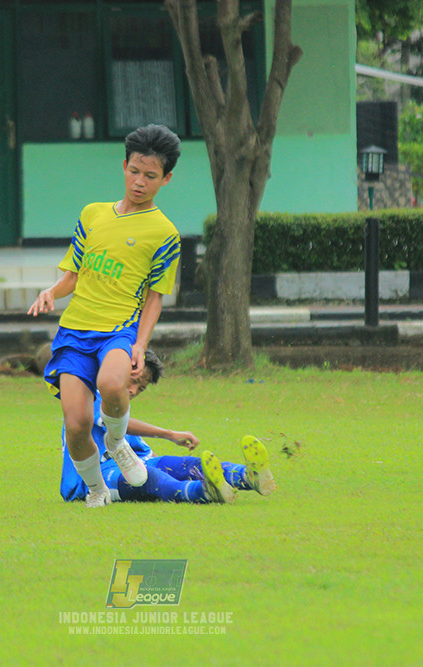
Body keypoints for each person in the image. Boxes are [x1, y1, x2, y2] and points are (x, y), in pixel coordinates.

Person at [28, 124, 182, 508]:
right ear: (124, 166)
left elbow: (155, 297)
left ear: (166, 179)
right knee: (76, 425)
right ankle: (96, 489)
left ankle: (117, 442)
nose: (140, 182)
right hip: (74, 333)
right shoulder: (92, 215)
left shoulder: (165, 234)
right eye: (134, 171)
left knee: (113, 385)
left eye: (150, 176)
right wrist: (50, 292)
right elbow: (72, 277)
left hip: (118, 331)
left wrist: (140, 344)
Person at [59, 350, 277, 504]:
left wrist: (155, 455)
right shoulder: (88, 394)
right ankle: (203, 492)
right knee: (151, 478)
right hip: (95, 478)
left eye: (141, 388)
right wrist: (169, 434)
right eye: (133, 380)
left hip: (136, 462)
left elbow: (131, 440)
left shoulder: (119, 411)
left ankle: (248, 477)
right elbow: (115, 424)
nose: (134, 390)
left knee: (186, 465)